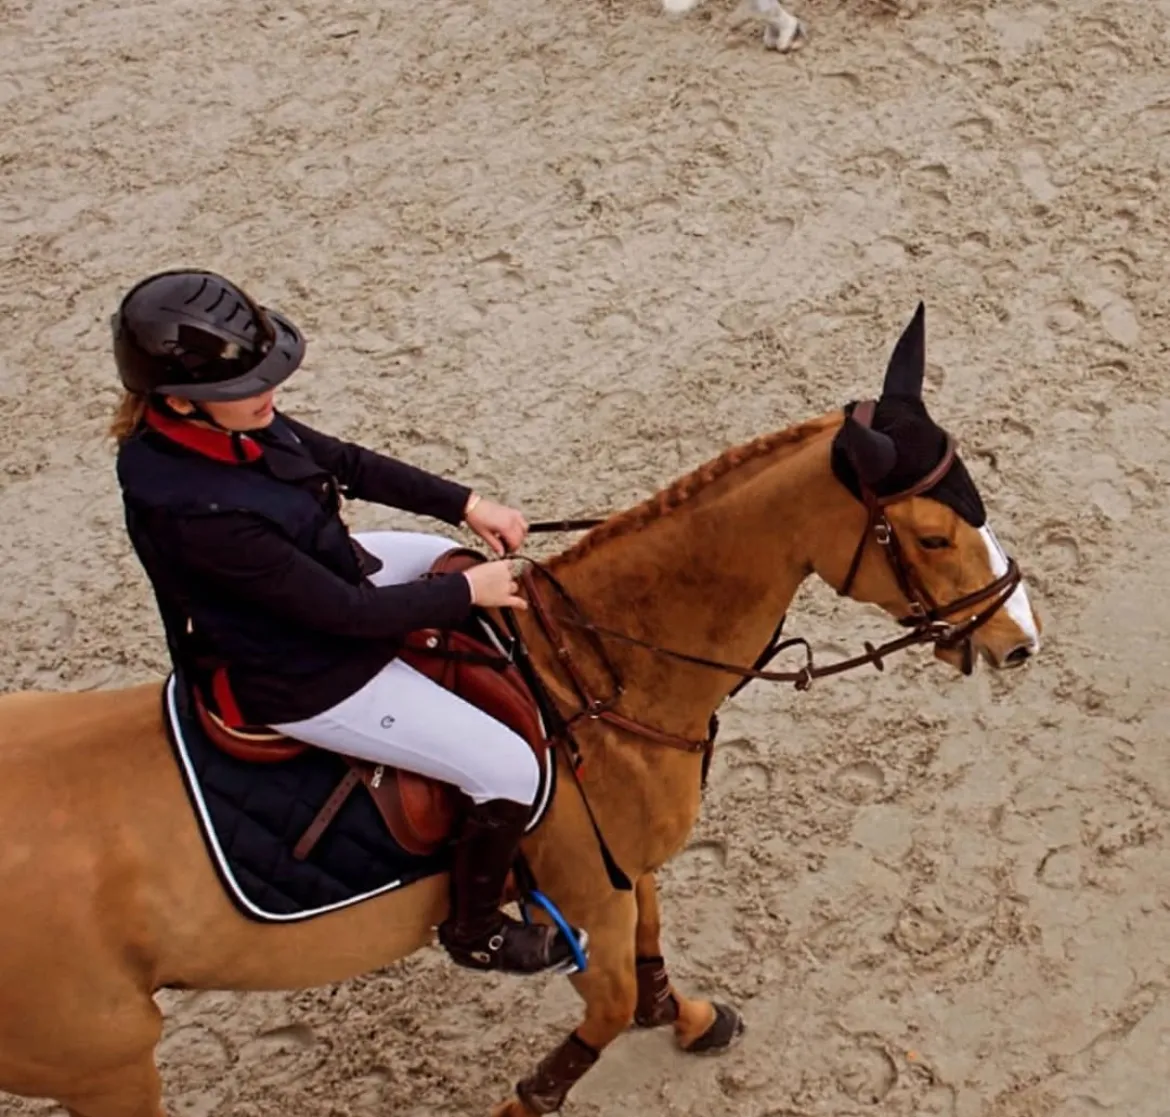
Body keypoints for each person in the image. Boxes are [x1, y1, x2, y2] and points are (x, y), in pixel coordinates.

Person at [109, 267, 582, 976]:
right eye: (250, 385)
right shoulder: (198, 512)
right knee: (508, 767)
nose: (271, 392)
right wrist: (466, 593)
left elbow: (346, 463)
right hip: (308, 674)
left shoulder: (227, 422)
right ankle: (476, 928)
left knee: (440, 556)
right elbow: (348, 616)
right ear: (179, 401)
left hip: (322, 574)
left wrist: (465, 504)